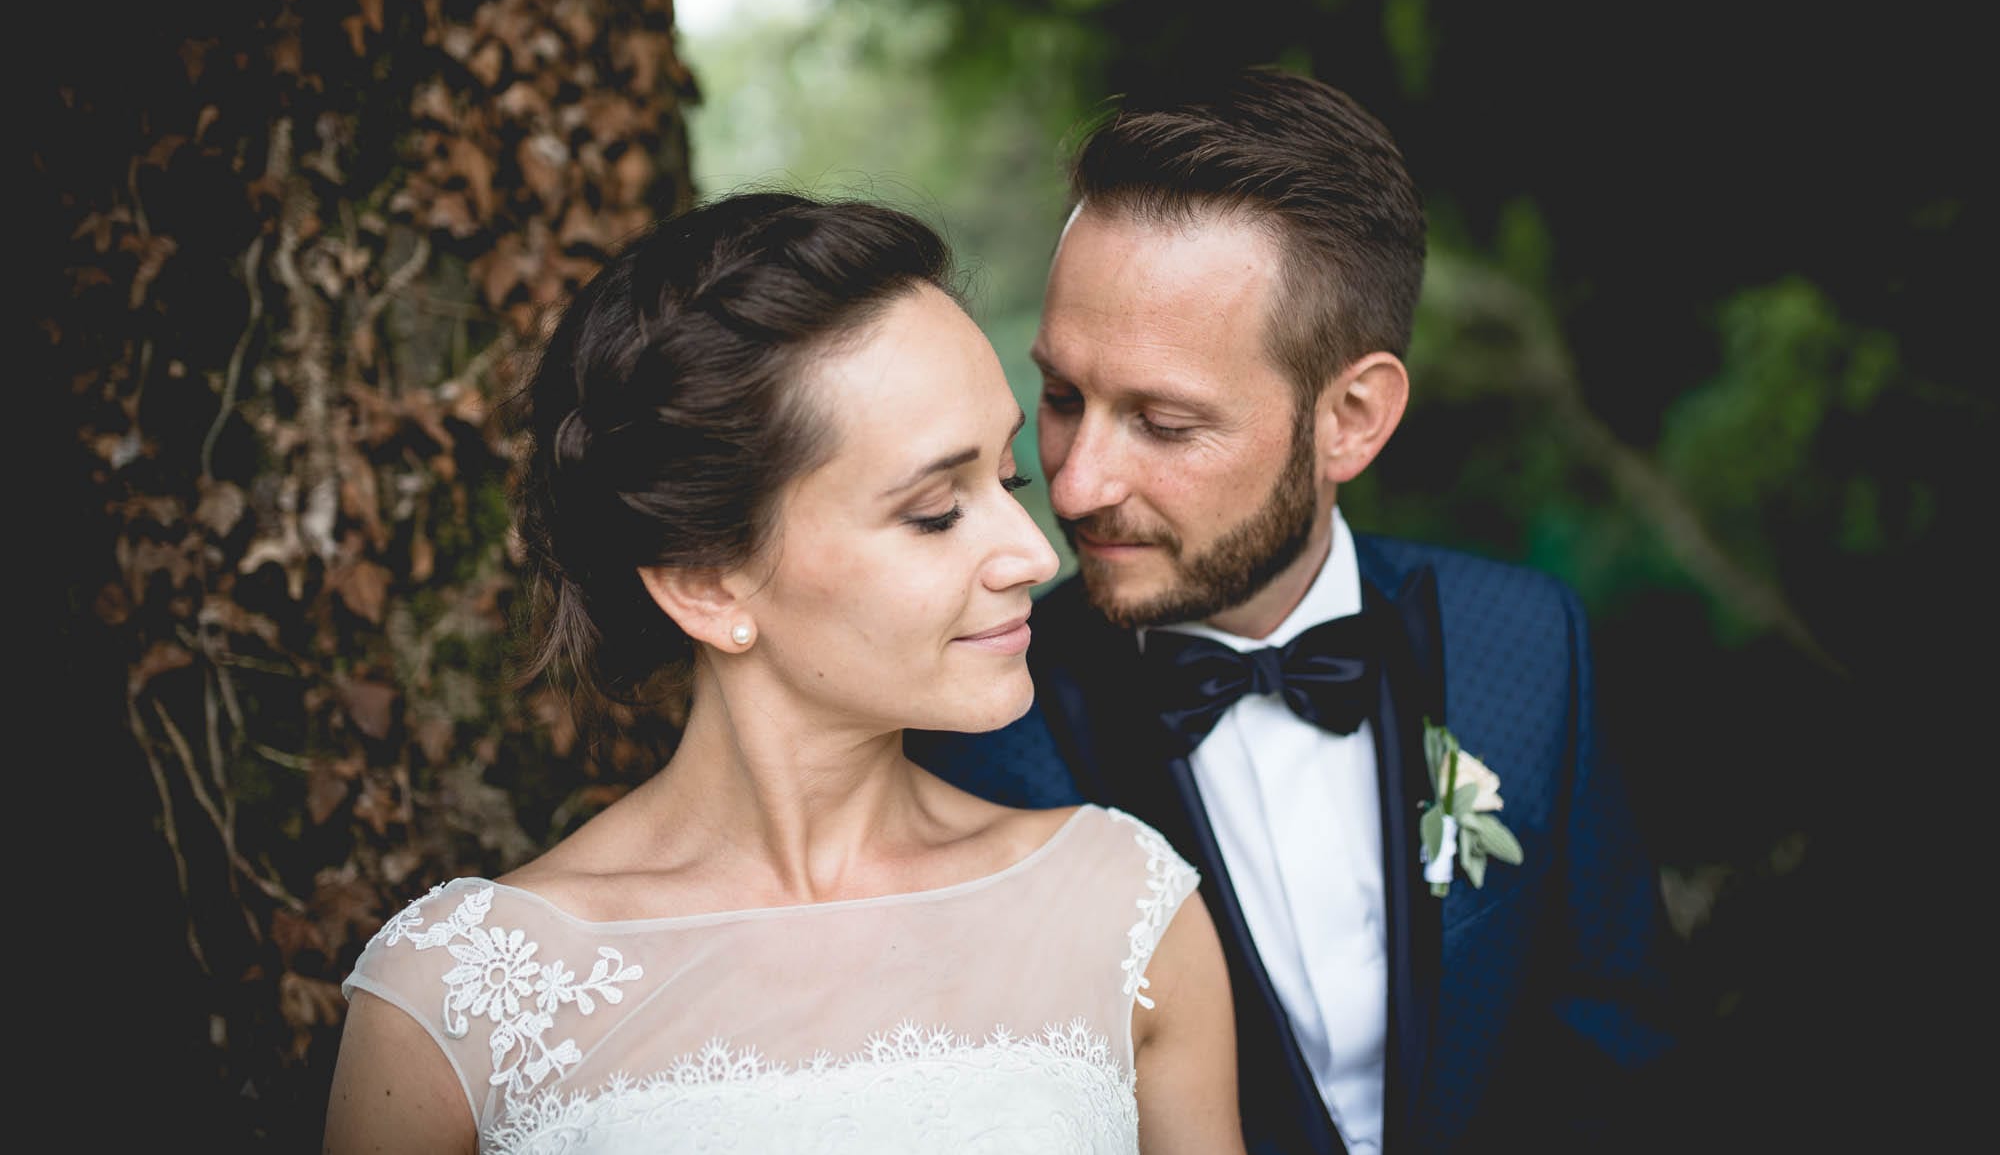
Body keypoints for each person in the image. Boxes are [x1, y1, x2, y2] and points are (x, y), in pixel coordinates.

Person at [323, 193, 1249, 1155]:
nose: (1034, 553)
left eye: (1007, 479)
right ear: (706, 579)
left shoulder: (1123, 908)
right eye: (936, 511)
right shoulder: (453, 997)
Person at [909, 67, 1683, 1154]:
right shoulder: (981, 733)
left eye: (1164, 424)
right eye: (1064, 398)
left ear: (1351, 421)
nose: (1074, 486)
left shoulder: (1526, 645)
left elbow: (1618, 1053)